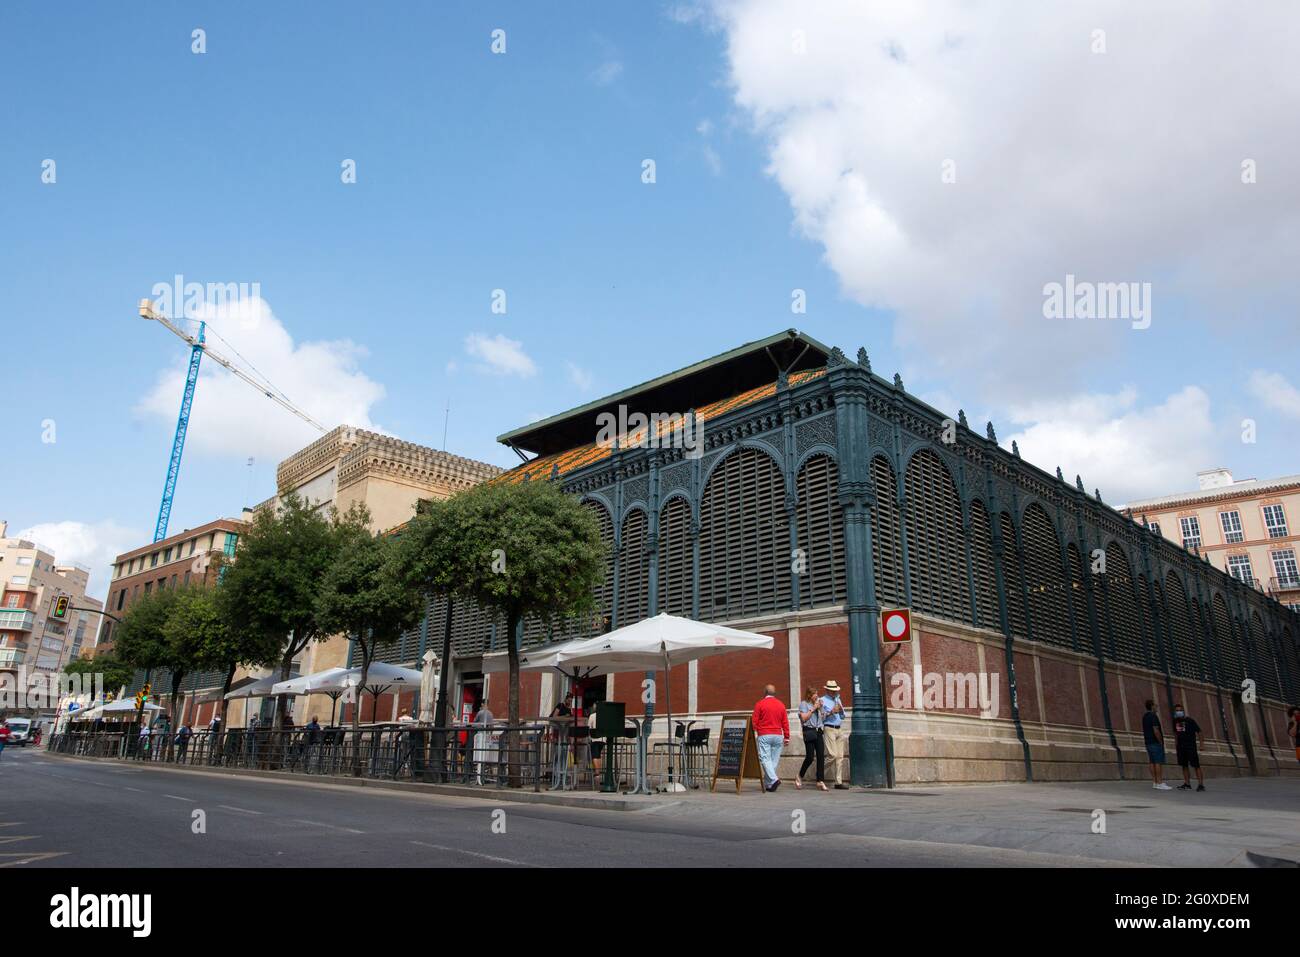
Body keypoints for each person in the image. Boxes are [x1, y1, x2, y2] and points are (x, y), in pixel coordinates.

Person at [751, 684, 790, 792]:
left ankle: (774, 779)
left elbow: (754, 722)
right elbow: (785, 722)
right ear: (774, 693)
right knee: (774, 760)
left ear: (765, 692)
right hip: (778, 734)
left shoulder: (760, 704)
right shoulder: (781, 705)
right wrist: (787, 737)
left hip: (764, 734)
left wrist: (755, 730)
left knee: (765, 759)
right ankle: (769, 784)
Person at [796, 686, 828, 791]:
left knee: (820, 756)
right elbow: (804, 718)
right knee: (810, 757)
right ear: (809, 694)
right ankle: (800, 775)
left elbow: (823, 718)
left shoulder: (818, 705)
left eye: (817, 694)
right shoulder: (803, 704)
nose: (817, 696)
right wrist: (814, 708)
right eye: (815, 694)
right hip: (809, 731)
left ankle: (820, 781)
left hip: (818, 731)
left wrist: (822, 709)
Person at [820, 680, 849, 789]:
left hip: (839, 729)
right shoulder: (822, 700)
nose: (834, 693)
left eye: (835, 691)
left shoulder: (838, 699)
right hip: (829, 728)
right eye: (832, 691)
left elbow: (842, 716)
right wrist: (831, 712)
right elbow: (821, 717)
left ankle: (838, 782)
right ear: (827, 690)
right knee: (832, 755)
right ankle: (820, 773)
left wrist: (841, 710)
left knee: (840, 757)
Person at [1172, 703, 1205, 791]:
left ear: (1183, 711)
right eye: (1177, 711)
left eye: (1180, 710)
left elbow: (1199, 732)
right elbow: (1177, 734)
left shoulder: (1190, 720)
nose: (1179, 712)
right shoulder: (1176, 722)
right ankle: (1187, 783)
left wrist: (1201, 744)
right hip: (1181, 747)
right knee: (1184, 765)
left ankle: (1201, 784)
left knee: (1196, 765)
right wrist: (1176, 745)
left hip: (1191, 746)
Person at [1142, 699, 1171, 790]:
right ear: (1152, 706)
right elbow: (1156, 730)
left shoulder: (1145, 716)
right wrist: (1160, 741)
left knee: (1152, 762)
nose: (1157, 707)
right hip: (1155, 742)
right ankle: (1159, 782)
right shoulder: (1153, 716)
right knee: (1158, 762)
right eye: (1155, 705)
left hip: (1148, 741)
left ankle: (1154, 782)